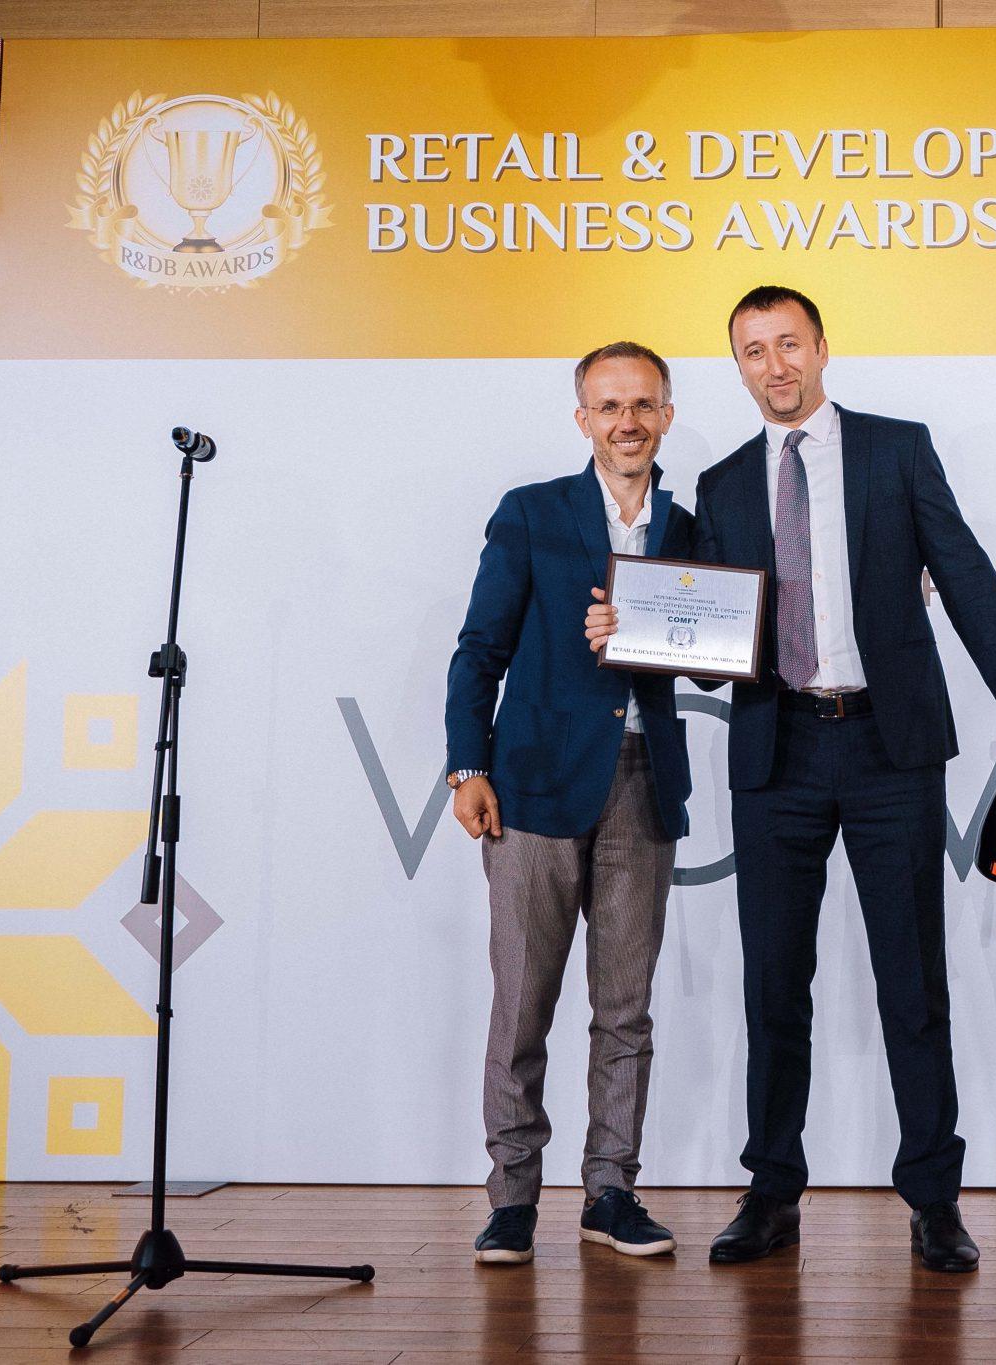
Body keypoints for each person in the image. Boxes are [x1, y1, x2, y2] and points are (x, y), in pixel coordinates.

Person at [586, 286, 996, 1273]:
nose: (775, 365)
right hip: (775, 749)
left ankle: (934, 1200)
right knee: (772, 985)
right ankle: (771, 1193)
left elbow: (964, 572)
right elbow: (710, 634)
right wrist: (635, 630)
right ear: (739, 368)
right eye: (753, 351)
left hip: (888, 744)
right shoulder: (721, 484)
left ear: (822, 349)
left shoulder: (895, 449)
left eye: (788, 343)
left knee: (911, 983)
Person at [446, 341, 692, 1265]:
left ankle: (610, 1191)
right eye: (609, 405)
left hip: (643, 782)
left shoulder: (691, 527)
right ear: (583, 419)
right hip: (534, 783)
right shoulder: (532, 511)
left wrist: (652, 631)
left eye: (644, 404)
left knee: (626, 1008)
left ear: (666, 415)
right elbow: (480, 648)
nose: (628, 421)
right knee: (523, 1003)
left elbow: (722, 653)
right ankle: (512, 1199)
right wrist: (467, 764)